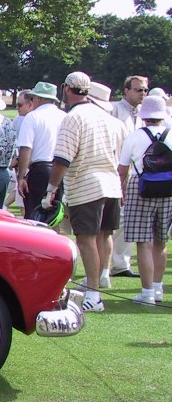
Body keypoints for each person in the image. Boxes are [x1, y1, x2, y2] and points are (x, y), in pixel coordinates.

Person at [45, 71, 126, 312]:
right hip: (110, 183)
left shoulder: (74, 117)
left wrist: (51, 189)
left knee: (86, 239)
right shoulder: (105, 117)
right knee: (104, 235)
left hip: (87, 184)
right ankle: (98, 284)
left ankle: (93, 294)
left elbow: (62, 158)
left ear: (67, 89)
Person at [117, 95, 171, 305]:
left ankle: (147, 292)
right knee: (161, 241)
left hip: (141, 188)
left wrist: (121, 191)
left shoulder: (135, 136)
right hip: (168, 189)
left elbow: (123, 169)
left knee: (144, 243)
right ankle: (157, 288)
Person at [109, 75, 150, 276]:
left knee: (129, 220)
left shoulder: (145, 113)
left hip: (139, 172)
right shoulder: (115, 111)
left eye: (144, 90)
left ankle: (121, 263)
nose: (142, 93)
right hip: (118, 168)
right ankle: (110, 263)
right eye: (138, 89)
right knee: (116, 219)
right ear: (127, 90)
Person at [15, 81, 65, 214]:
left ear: (39, 98)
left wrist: (21, 176)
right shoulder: (64, 117)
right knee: (54, 217)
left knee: (35, 215)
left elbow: (25, 148)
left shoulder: (33, 117)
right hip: (61, 170)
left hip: (40, 170)